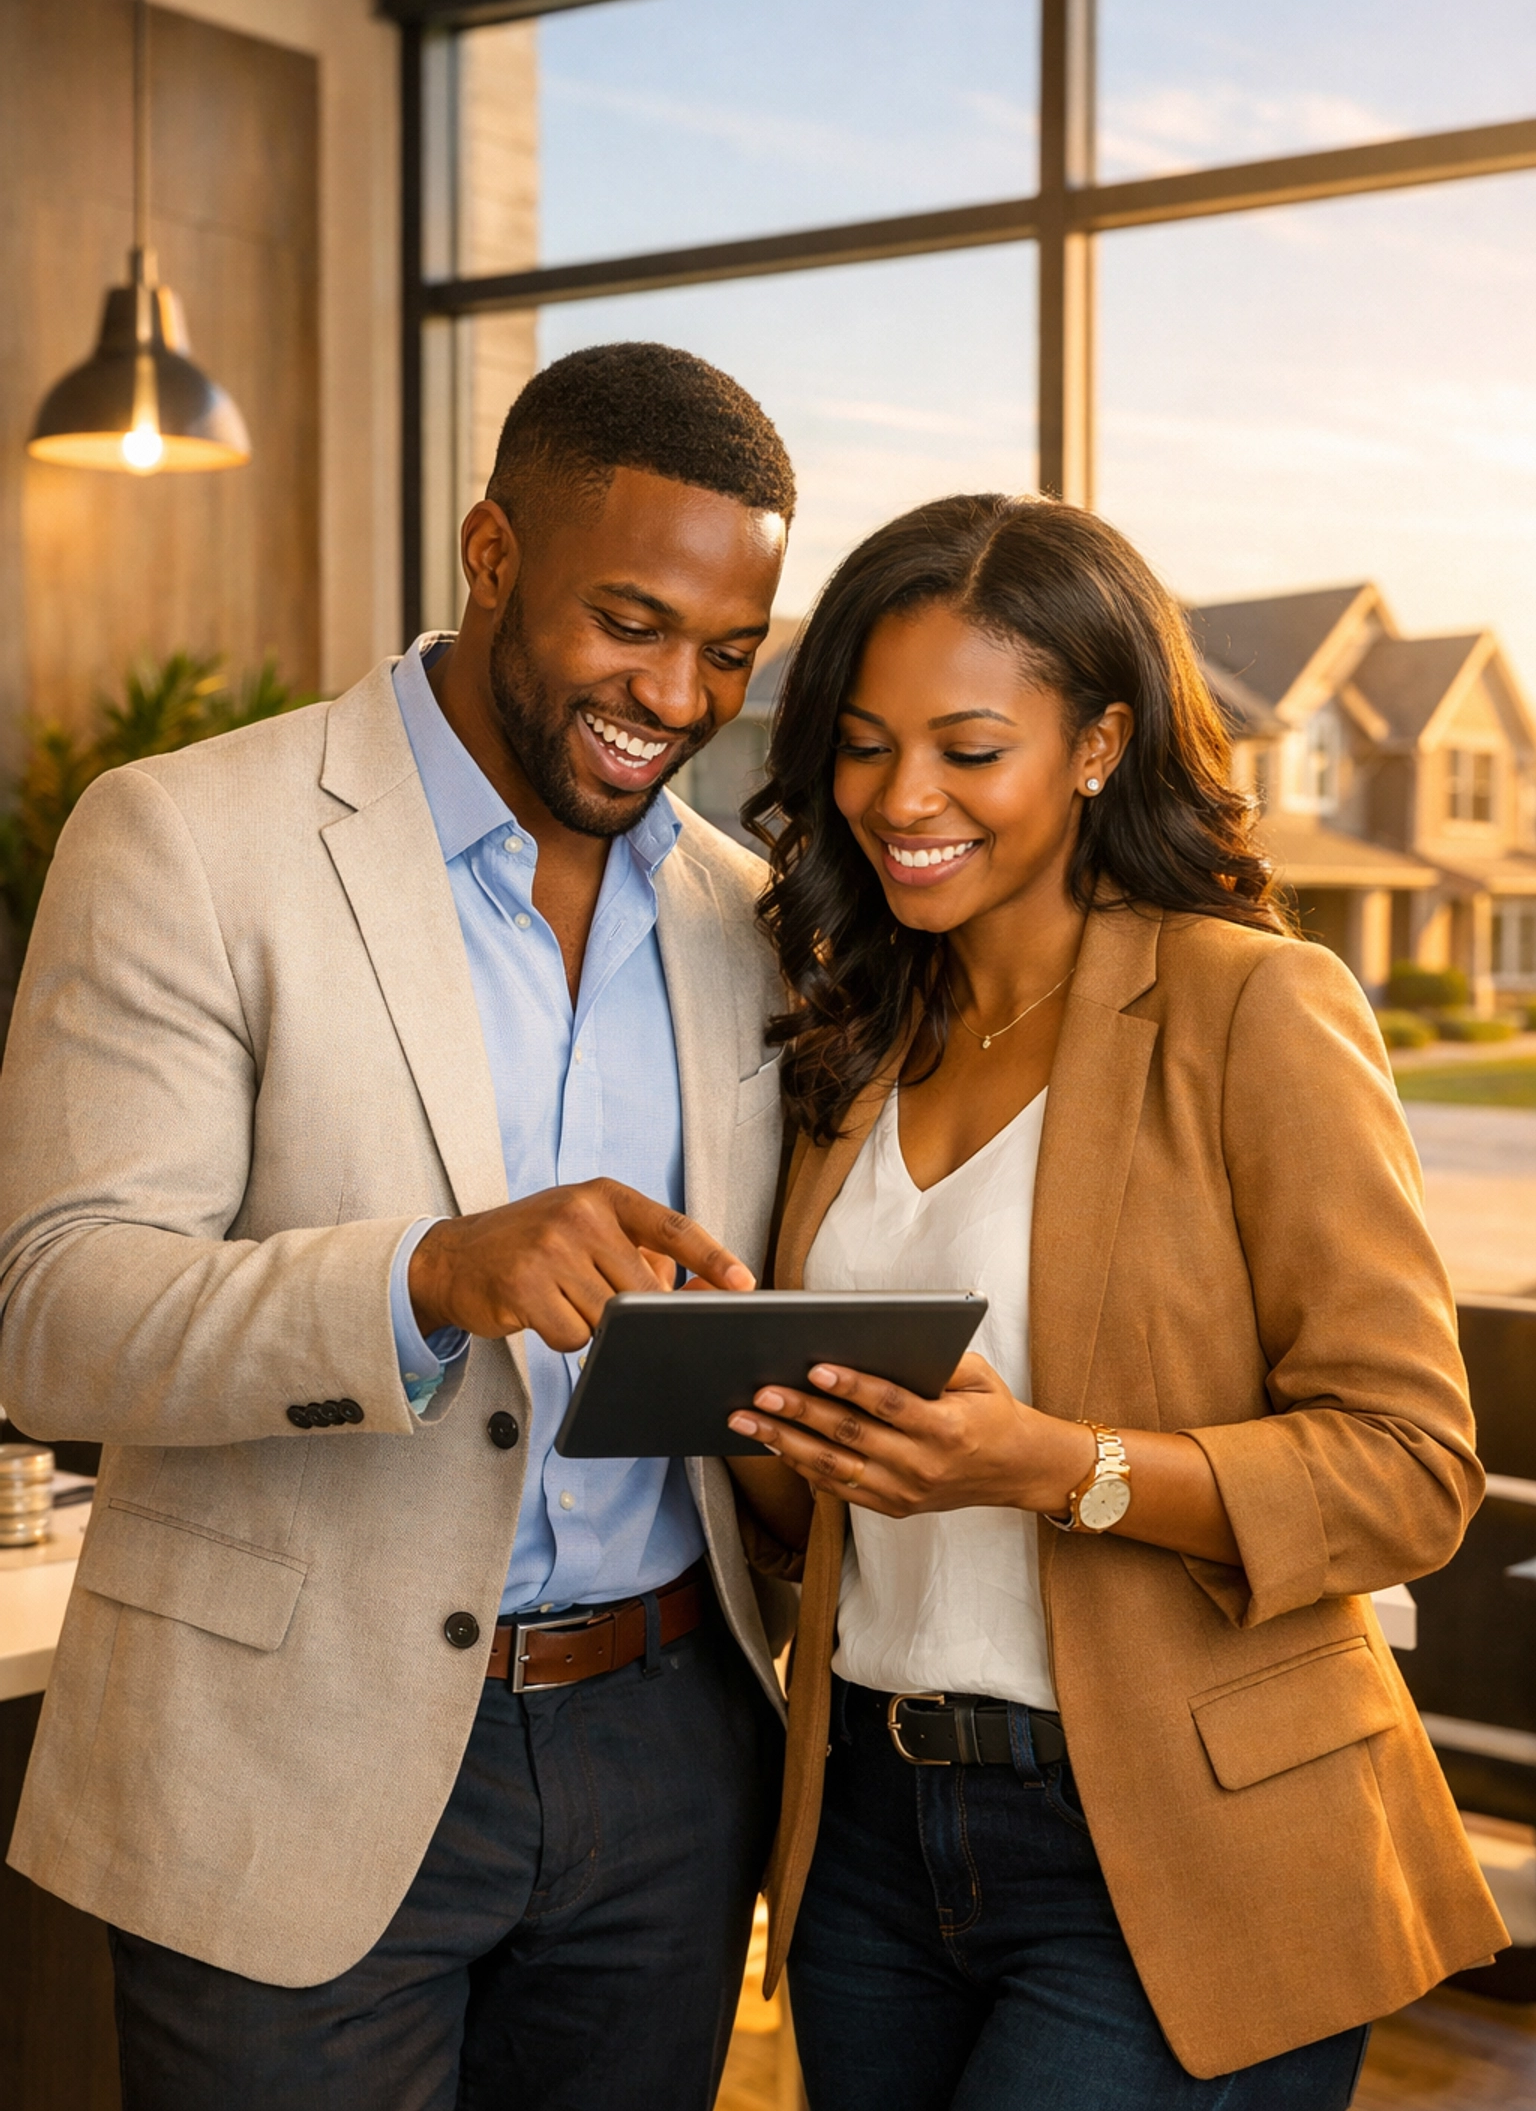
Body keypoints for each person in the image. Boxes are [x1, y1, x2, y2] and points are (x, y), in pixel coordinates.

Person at [0, 342, 800, 2110]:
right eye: (630, 623)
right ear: (490, 553)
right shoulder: (187, 839)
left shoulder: (750, 919)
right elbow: (55, 1313)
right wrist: (430, 1274)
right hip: (289, 1757)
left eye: (728, 652)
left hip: (670, 1746)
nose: (673, 692)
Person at [727, 494, 1507, 2109]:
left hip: (1171, 1829)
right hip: (865, 1830)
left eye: (967, 747)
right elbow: (822, 1517)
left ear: (1097, 745)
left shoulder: (1255, 1007)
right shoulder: (854, 1035)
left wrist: (1062, 1466)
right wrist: (726, 1389)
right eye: (864, 747)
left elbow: (1412, 1467)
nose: (903, 799)